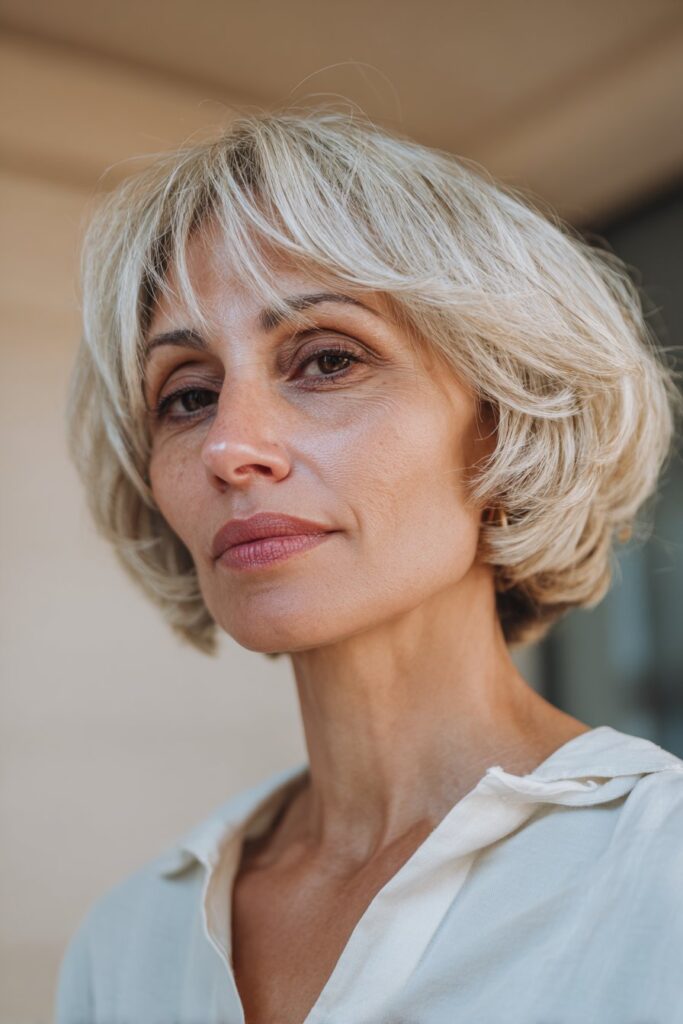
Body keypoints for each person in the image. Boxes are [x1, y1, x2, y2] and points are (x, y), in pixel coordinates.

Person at [55, 109, 683, 1024]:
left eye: (325, 360)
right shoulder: (130, 940)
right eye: (188, 395)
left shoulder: (658, 870)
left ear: (506, 420)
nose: (231, 447)